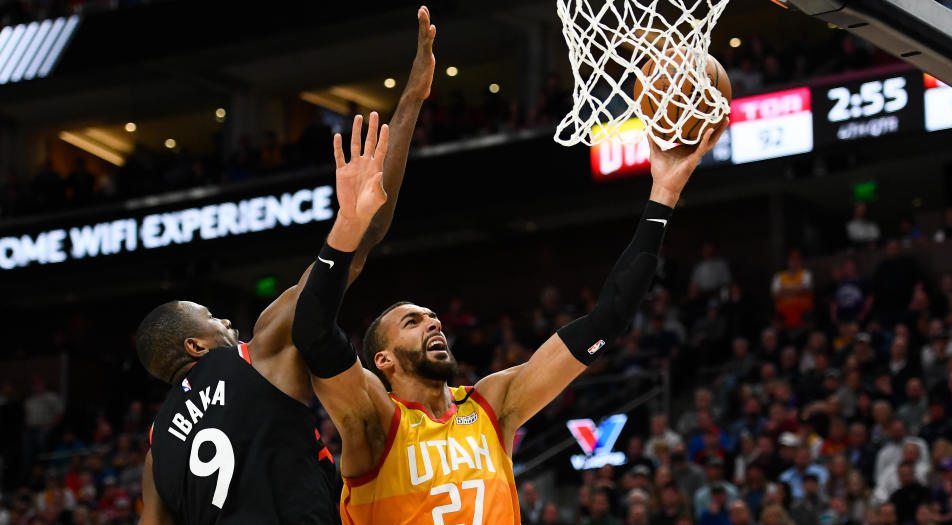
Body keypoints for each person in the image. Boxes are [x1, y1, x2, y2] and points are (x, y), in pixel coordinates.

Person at [293, 112, 728, 522]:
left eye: (432, 317)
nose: (433, 323)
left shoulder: (491, 405)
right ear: (383, 360)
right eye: (412, 322)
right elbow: (312, 332)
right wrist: (348, 227)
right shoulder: (377, 420)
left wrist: (663, 196)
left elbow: (608, 319)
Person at [134, 8, 436, 524]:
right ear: (194, 345)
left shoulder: (155, 448)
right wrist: (410, 102)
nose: (227, 322)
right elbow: (364, 237)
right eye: (211, 317)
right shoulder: (260, 351)